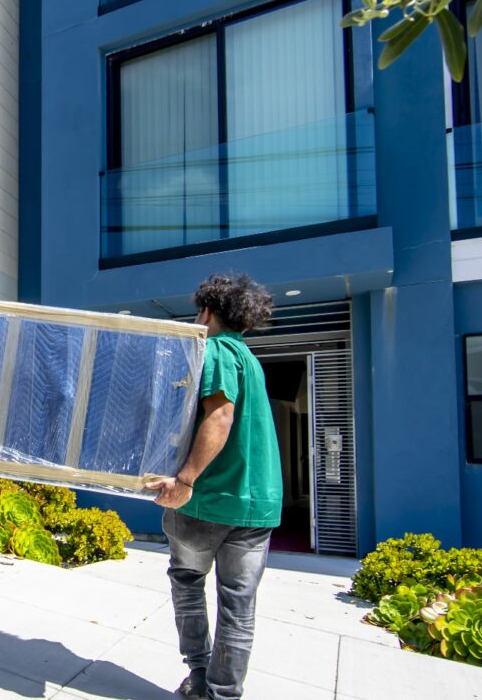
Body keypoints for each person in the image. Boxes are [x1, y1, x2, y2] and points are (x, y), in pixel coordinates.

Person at [145, 273, 281, 700]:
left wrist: (185, 480)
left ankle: (200, 674)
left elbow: (218, 418)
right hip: (256, 503)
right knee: (238, 605)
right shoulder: (250, 358)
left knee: (187, 581)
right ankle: (224, 693)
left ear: (207, 311)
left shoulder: (217, 350)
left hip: (208, 500)